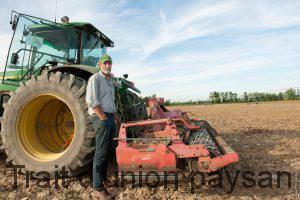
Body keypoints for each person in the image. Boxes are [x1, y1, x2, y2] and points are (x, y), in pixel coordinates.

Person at [86, 54, 117, 199]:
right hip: (101, 118)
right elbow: (92, 100)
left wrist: (113, 117)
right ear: (99, 64)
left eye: (109, 63)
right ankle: (97, 187)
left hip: (110, 118)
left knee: (107, 150)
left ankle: (103, 179)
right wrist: (103, 117)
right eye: (105, 63)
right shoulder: (95, 79)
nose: (108, 65)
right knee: (100, 152)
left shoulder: (110, 80)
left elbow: (110, 101)